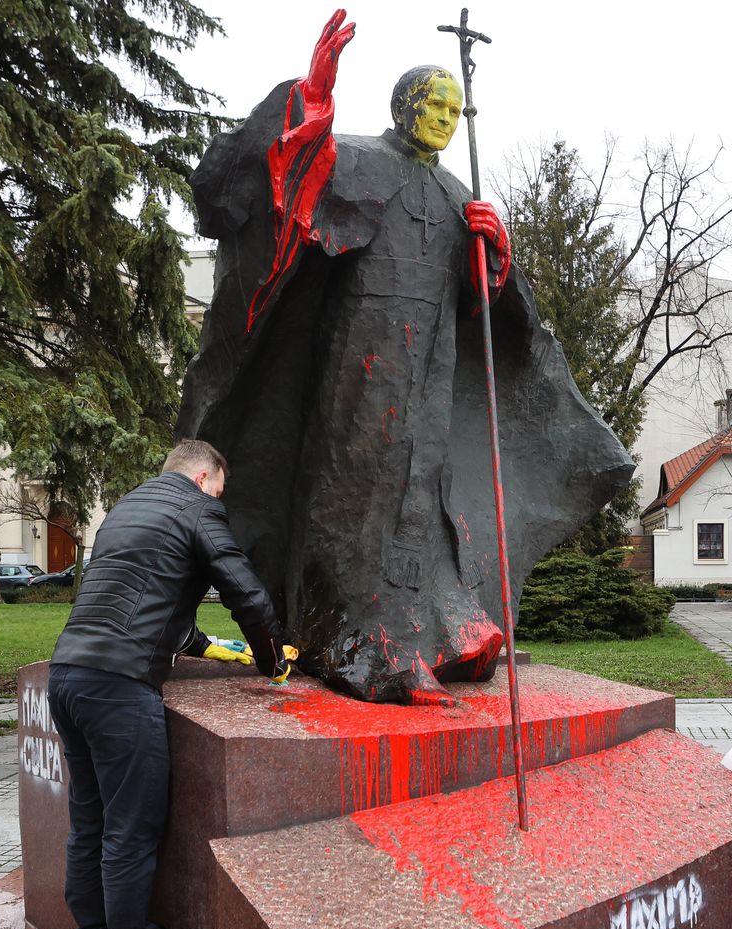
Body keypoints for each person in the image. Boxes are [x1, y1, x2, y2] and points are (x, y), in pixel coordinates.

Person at [176, 11, 633, 705]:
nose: (449, 119)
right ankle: (354, 639)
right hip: (361, 356)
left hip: (434, 360)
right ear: (404, 106)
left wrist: (494, 258)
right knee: (359, 490)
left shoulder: (456, 194)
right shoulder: (361, 159)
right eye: (436, 106)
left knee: (425, 492)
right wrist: (315, 97)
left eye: (457, 109)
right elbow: (290, 193)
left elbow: (480, 307)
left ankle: (432, 632)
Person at [48, 439, 284, 929]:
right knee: (130, 830)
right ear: (204, 477)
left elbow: (145, 600)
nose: (219, 500)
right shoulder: (196, 506)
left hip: (69, 674)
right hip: (120, 690)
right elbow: (244, 591)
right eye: (220, 491)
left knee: (89, 824)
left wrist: (207, 647)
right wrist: (273, 659)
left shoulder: (125, 509)